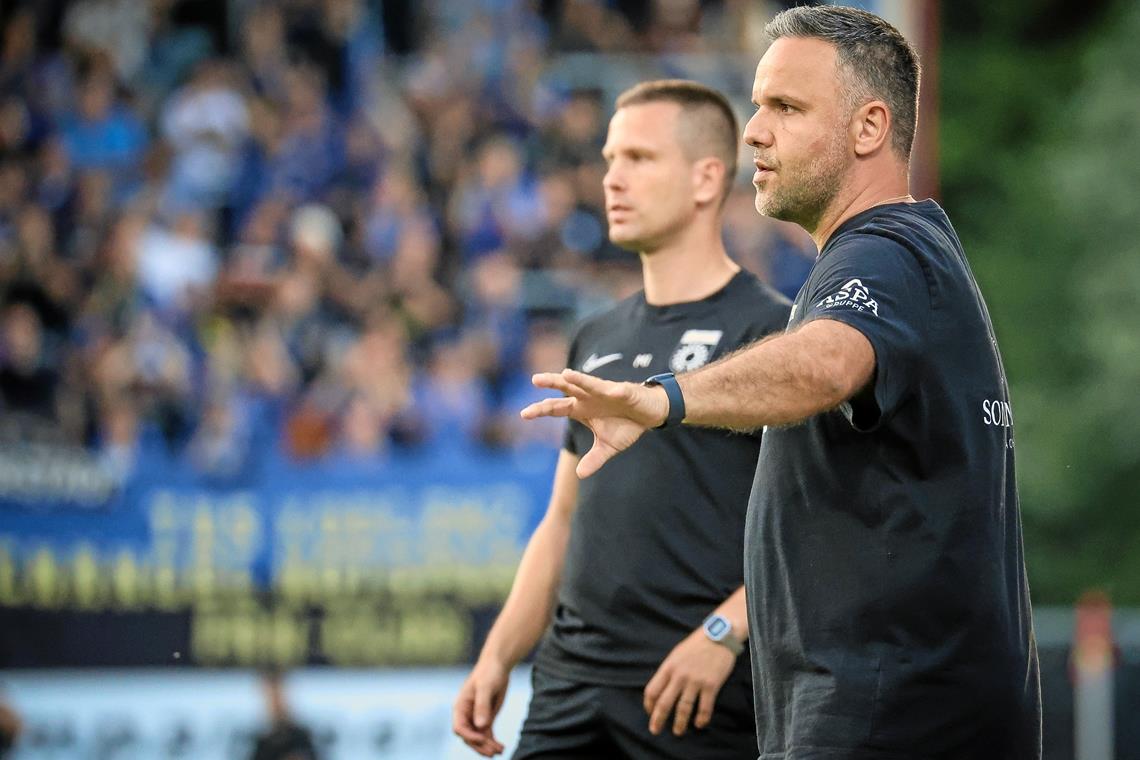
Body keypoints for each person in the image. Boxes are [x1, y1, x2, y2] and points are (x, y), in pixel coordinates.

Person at [521, 6, 1042, 760]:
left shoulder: (885, 253)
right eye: (758, 105)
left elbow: (826, 362)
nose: (753, 131)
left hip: (888, 717)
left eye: (786, 108)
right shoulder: (898, 257)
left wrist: (663, 397)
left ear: (869, 128)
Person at [452, 80, 791, 759]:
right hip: (569, 687)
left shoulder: (776, 333)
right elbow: (563, 519)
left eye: (638, 158)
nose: (612, 178)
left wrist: (724, 635)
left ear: (706, 179)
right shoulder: (595, 336)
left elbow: (817, 529)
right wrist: (497, 655)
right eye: (610, 159)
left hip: (694, 690)